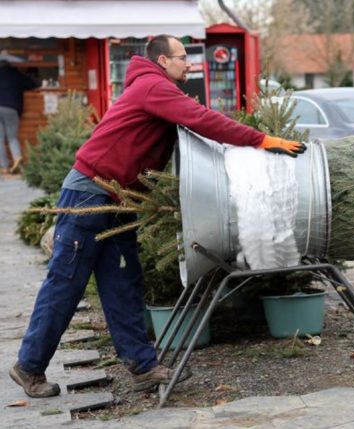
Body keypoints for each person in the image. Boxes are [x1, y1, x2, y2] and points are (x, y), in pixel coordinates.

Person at [9, 35, 306, 398]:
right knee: (65, 283)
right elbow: (202, 119)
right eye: (183, 58)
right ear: (163, 60)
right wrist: (262, 140)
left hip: (117, 201)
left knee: (123, 283)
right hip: (89, 196)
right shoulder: (153, 86)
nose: (190, 64)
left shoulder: (154, 87)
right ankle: (29, 367)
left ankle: (143, 367)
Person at [0, 59, 39, 174]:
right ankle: (17, 158)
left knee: (0, 138)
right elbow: (33, 84)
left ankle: (4, 167)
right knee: (12, 137)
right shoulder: (16, 75)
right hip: (12, 108)